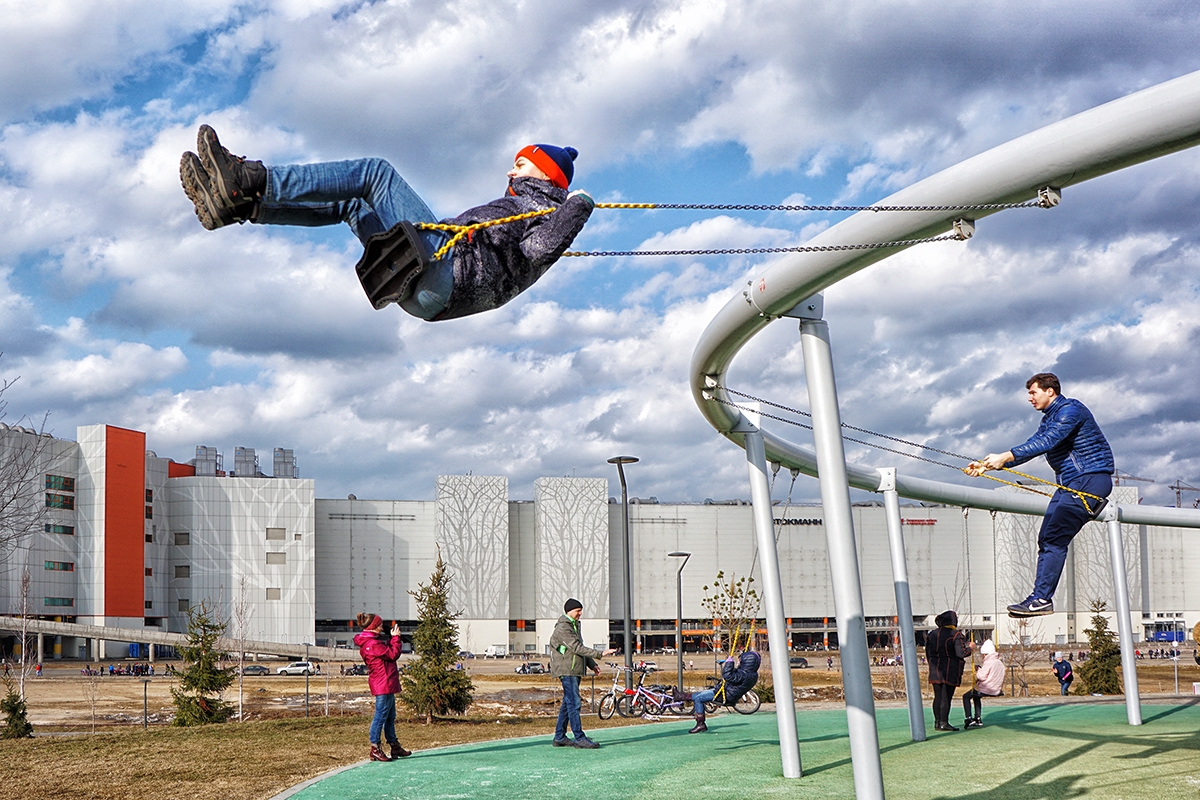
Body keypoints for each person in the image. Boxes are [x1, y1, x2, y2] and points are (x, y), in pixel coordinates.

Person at [180, 125, 594, 322]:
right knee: (350, 203)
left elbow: (539, 250)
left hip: (445, 274)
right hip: (427, 297)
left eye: (520, 164)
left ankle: (250, 180)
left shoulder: (545, 213)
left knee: (376, 172)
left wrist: (578, 207)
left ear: (545, 173)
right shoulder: (525, 209)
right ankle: (241, 207)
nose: (509, 171)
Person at [966, 373, 1114, 617]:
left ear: (1050, 392)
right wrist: (990, 465)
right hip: (1071, 484)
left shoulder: (1070, 410)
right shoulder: (1050, 419)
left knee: (1055, 537)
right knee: (1047, 538)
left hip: (1089, 480)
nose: (1029, 398)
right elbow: (1033, 444)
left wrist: (1005, 455)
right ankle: (1039, 598)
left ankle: (1042, 599)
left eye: (1033, 392)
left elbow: (1047, 441)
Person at [549, 598, 618, 749]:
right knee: (574, 703)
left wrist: (592, 664)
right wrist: (600, 654)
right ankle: (579, 738)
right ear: (569, 611)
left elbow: (579, 647)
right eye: (578, 610)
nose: (580, 613)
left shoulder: (574, 625)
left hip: (574, 670)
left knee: (568, 704)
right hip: (567, 670)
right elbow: (576, 648)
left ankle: (559, 736)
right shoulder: (563, 628)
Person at [353, 612, 412, 763]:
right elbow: (393, 654)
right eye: (380, 624)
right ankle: (375, 748)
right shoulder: (372, 644)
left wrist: (392, 637)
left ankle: (394, 745)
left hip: (386, 683)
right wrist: (396, 638)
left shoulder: (373, 642)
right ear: (374, 626)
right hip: (383, 683)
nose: (382, 626)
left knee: (390, 717)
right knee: (380, 717)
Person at [673, 651, 761, 733]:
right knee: (700, 694)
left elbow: (727, 675)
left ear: (747, 662)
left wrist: (729, 663)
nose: (739, 663)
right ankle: (680, 696)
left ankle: (700, 724)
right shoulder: (752, 674)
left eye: (740, 661)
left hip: (725, 696)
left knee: (699, 698)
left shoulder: (743, 674)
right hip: (726, 692)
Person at [926, 610, 972, 732]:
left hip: (935, 669)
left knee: (938, 697)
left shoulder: (932, 634)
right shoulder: (955, 635)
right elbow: (961, 653)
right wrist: (970, 648)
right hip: (950, 670)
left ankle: (937, 722)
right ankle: (944, 722)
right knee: (946, 697)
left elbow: (928, 653)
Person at [960, 639, 1005, 728]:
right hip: (996, 689)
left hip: (987, 688)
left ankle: (969, 717)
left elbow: (981, 677)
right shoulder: (999, 663)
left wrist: (978, 670)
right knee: (976, 696)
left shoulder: (989, 662)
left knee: (966, 696)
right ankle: (978, 718)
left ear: (985, 653)